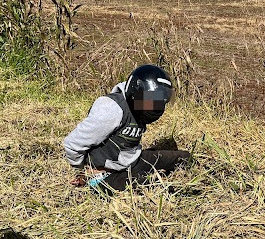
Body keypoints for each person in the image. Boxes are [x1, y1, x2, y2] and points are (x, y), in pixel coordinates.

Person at [63, 64, 191, 193]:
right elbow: (72, 144)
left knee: (184, 157)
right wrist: (83, 172)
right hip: (105, 176)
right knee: (162, 190)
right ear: (136, 93)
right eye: (152, 101)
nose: (156, 107)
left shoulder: (140, 106)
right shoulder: (111, 108)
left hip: (131, 161)